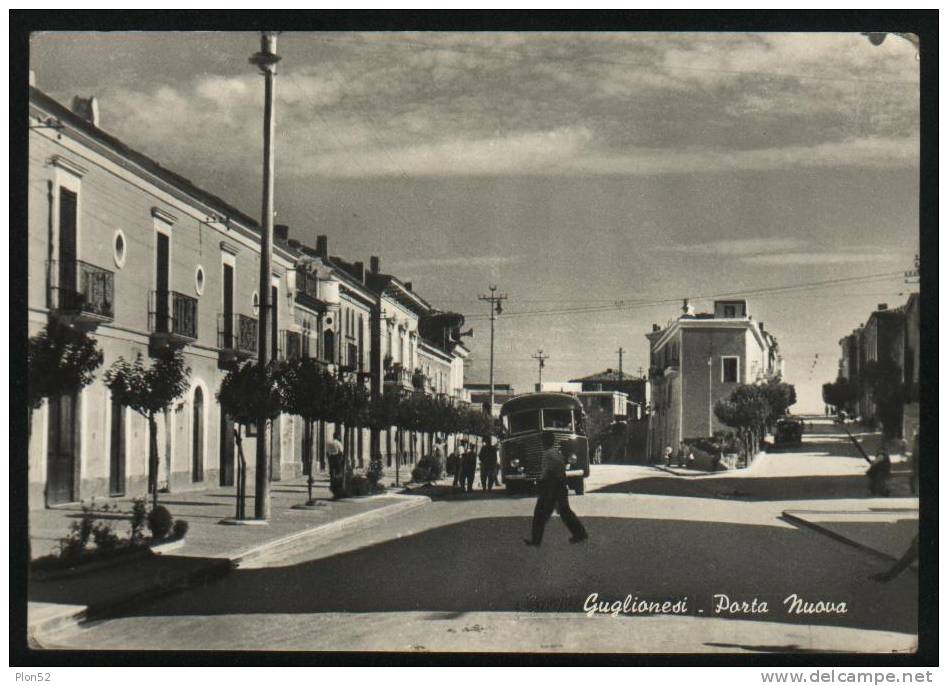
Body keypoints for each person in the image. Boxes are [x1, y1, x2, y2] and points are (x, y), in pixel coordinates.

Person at [524, 431, 588, 546]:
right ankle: (580, 533)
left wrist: (539, 485)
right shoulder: (557, 453)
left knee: (540, 514)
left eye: (542, 440)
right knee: (565, 512)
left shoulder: (547, 455)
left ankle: (536, 540)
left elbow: (546, 474)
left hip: (550, 488)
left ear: (544, 442)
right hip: (560, 486)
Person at [327, 427, 346, 499]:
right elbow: (341, 452)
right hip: (337, 458)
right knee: (338, 472)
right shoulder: (338, 443)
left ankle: (332, 483)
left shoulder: (329, 443)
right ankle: (337, 485)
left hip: (331, 458)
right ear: (337, 436)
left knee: (332, 472)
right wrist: (340, 459)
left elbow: (327, 452)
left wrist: (329, 459)